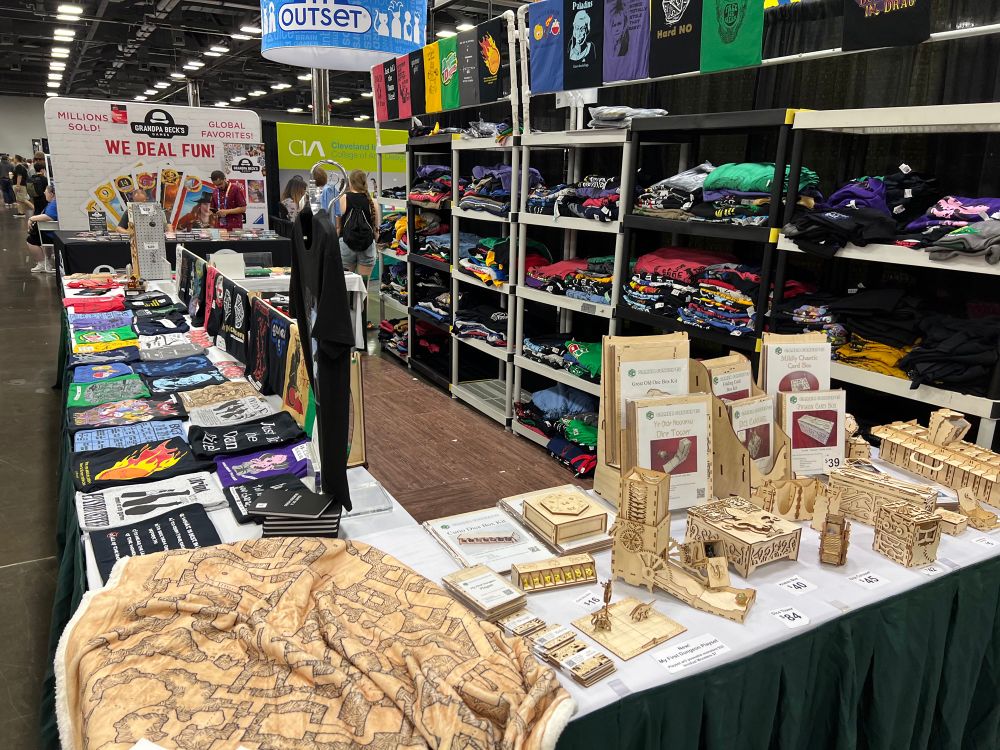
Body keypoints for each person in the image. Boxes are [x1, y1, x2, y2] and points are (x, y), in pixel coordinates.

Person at [336, 168, 379, 285]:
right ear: (364, 182)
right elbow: (376, 229)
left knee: (346, 285)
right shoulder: (373, 202)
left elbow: (338, 227)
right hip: (367, 246)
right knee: (363, 285)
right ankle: (362, 298)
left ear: (350, 182)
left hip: (346, 245)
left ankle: (348, 298)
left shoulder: (343, 198)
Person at [26, 183, 57, 274]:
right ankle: (47, 261)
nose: (44, 193)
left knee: (31, 240)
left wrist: (32, 218)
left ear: (51, 194)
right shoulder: (55, 203)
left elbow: (49, 217)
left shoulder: (53, 205)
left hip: (51, 234)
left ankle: (42, 263)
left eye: (46, 192)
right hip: (54, 233)